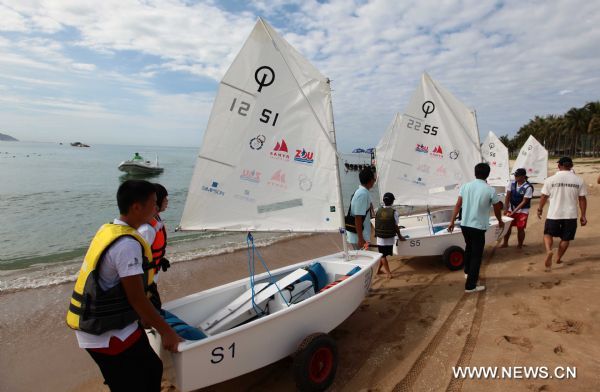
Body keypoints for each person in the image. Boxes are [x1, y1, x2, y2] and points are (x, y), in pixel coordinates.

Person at [66, 180, 180, 391]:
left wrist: (146, 319)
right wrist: (167, 331)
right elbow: (137, 298)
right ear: (137, 207)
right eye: (153, 203)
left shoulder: (109, 228)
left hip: (113, 323)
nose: (156, 208)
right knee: (136, 382)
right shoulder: (127, 244)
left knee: (152, 368)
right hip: (105, 333)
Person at [448, 163, 504, 293]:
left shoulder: (465, 186)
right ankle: (470, 286)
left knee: (469, 248)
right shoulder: (490, 190)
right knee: (476, 256)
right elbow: (497, 208)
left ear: (475, 173)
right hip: (478, 227)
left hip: (465, 225)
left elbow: (457, 205)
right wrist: (500, 220)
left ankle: (468, 272)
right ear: (488, 174)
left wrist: (451, 222)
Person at [537, 157, 587, 271]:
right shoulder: (579, 180)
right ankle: (558, 258)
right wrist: (583, 215)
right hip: (571, 215)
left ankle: (549, 250)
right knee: (566, 238)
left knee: (548, 234)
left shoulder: (550, 180)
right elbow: (582, 199)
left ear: (559, 166)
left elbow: (544, 196)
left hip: (554, 214)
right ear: (571, 166)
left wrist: (539, 208)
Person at [138, 183, 171, 310]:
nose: (167, 202)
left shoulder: (156, 220)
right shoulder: (147, 229)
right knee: (153, 308)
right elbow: (138, 259)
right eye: (165, 198)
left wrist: (159, 260)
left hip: (152, 277)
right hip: (145, 283)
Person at [375, 192, 405, 278]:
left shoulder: (378, 211)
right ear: (392, 202)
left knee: (383, 255)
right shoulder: (394, 213)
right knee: (383, 255)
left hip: (380, 237)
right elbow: (396, 226)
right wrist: (400, 236)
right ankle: (388, 273)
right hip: (389, 237)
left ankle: (378, 271)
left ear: (383, 201)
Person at [501, 168, 533, 249]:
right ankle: (505, 243)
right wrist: (506, 208)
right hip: (511, 209)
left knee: (520, 228)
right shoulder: (511, 184)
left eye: (517, 176)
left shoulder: (528, 187)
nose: (515, 177)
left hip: (523, 210)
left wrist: (514, 211)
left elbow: (524, 201)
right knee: (507, 227)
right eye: (515, 175)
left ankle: (520, 245)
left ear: (523, 176)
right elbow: (508, 196)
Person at [346, 168, 376, 250]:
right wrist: (360, 239)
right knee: (366, 260)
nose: (375, 180)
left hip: (361, 235)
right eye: (374, 178)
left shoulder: (363, 192)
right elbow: (358, 217)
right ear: (370, 180)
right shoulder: (362, 194)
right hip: (359, 237)